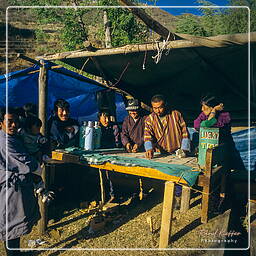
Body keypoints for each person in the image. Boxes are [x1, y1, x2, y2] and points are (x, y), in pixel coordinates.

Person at [0, 108, 41, 256]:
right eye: (9, 121)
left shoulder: (14, 137)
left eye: (15, 121)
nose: (13, 125)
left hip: (16, 187)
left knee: (14, 226)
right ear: (1, 123)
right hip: (10, 189)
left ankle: (16, 254)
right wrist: (36, 166)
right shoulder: (4, 141)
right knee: (11, 225)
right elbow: (22, 161)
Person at [144, 94, 191, 159]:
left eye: (160, 107)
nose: (158, 111)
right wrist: (149, 148)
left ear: (165, 105)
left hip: (178, 153)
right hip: (160, 154)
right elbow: (147, 136)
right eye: (155, 108)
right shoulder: (149, 119)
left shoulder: (176, 114)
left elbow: (185, 133)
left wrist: (184, 149)